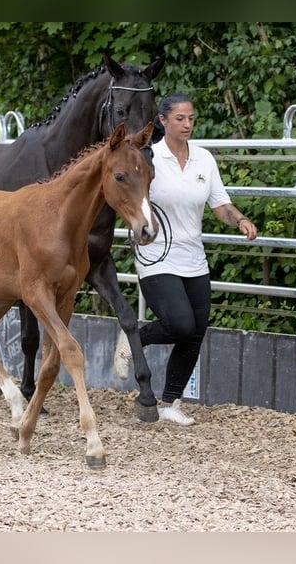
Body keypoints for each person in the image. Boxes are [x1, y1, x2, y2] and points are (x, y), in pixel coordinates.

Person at [115, 92, 258, 425]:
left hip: (194, 256)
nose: (187, 124)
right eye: (180, 118)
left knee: (195, 332)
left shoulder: (204, 160)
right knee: (179, 323)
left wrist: (239, 220)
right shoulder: (147, 158)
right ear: (163, 121)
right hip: (156, 255)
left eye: (191, 118)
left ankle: (169, 402)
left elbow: (219, 204)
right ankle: (134, 336)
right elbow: (126, 194)